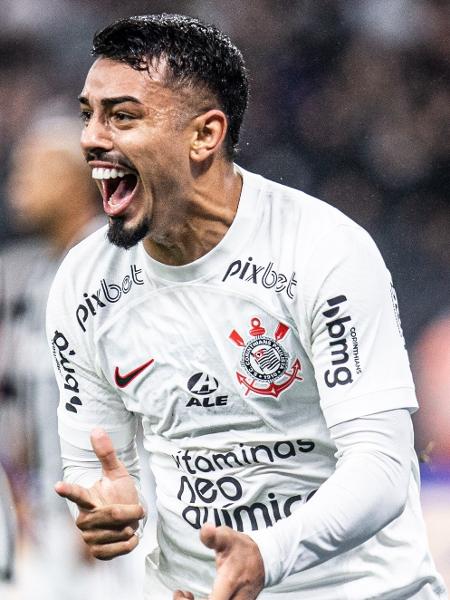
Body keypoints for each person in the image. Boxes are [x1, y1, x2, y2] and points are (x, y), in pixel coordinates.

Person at [46, 13, 447, 600]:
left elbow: (382, 469)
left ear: (205, 135)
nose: (91, 138)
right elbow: (97, 470)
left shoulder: (321, 249)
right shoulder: (84, 284)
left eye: (122, 116)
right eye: (89, 114)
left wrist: (267, 555)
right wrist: (104, 512)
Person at [1, 112, 150, 599]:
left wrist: (114, 499)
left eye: (35, 168)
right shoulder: (37, 273)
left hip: (116, 523)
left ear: (79, 179)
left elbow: (141, 391)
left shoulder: (115, 267)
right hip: (52, 521)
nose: (16, 182)